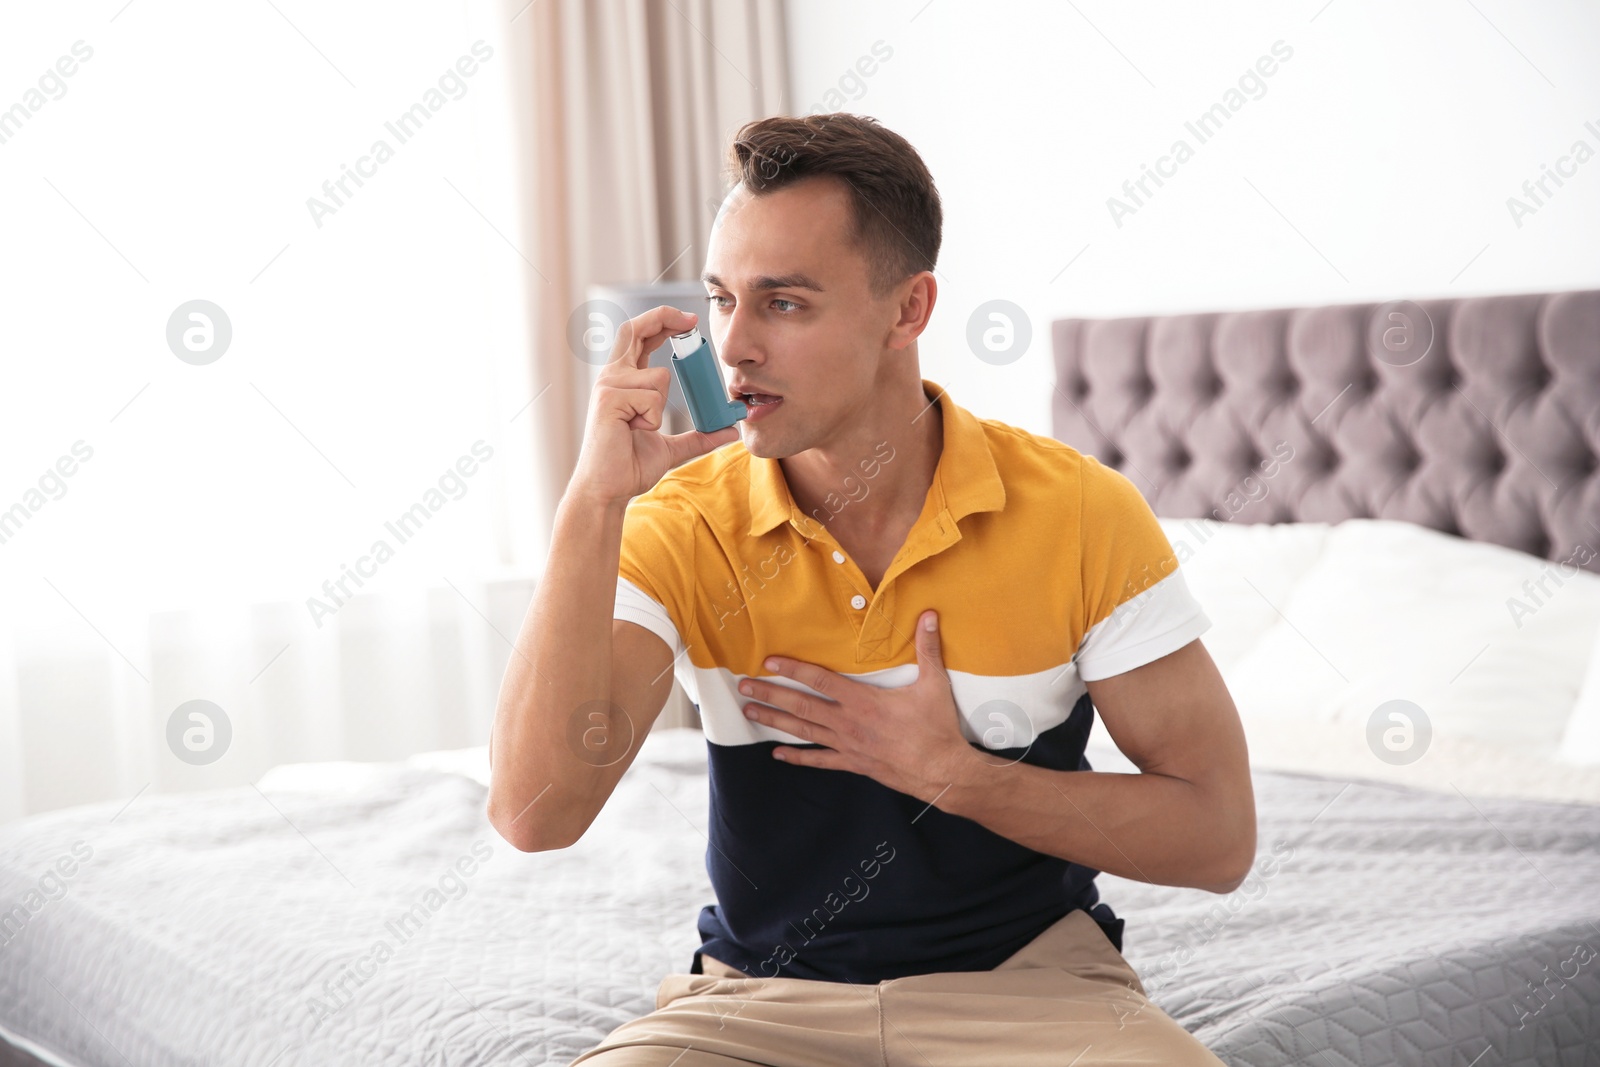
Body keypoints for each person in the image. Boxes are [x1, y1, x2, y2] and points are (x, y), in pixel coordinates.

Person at [487, 111, 1254, 1066]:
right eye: (723, 299)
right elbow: (534, 814)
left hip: (1030, 995)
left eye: (786, 303)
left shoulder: (1079, 511)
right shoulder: (683, 519)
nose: (734, 349)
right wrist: (590, 503)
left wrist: (956, 775)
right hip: (756, 1007)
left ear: (908, 310)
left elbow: (1219, 835)